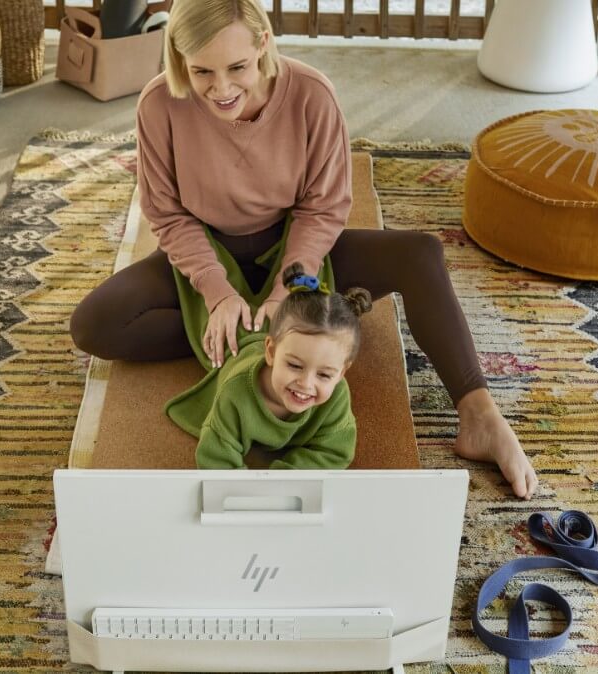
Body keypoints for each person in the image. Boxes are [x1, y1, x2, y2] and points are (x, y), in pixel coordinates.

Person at [68, 0, 539, 498]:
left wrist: (287, 287)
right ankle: (245, 337)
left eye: (237, 68)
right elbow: (166, 213)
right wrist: (217, 293)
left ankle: (479, 415)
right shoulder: (160, 102)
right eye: (201, 70)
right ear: (179, 57)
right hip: (208, 247)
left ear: (262, 45)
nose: (221, 89)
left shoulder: (312, 95)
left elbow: (325, 205)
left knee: (421, 254)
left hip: (295, 243)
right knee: (93, 325)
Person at [166, 263, 371, 469]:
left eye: (325, 375)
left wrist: (282, 479)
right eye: (294, 365)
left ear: (341, 373)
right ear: (271, 352)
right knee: (202, 310)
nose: (306, 384)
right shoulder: (235, 393)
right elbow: (216, 458)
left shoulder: (337, 394)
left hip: (278, 332)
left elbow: (335, 452)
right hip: (238, 342)